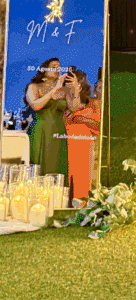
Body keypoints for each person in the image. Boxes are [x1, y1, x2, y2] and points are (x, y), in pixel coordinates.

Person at [25, 59, 75, 176]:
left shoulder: (64, 90)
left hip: (58, 131)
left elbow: (74, 108)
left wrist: (75, 88)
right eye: (53, 67)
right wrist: (54, 88)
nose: (57, 69)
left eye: (59, 67)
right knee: (38, 167)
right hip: (40, 131)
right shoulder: (34, 87)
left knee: (57, 166)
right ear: (44, 70)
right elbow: (35, 105)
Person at [63, 67, 101, 203]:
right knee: (67, 179)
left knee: (82, 180)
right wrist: (73, 91)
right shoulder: (66, 101)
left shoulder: (93, 103)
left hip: (84, 145)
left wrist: (81, 119)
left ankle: (81, 205)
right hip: (66, 144)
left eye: (74, 81)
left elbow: (98, 127)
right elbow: (72, 109)